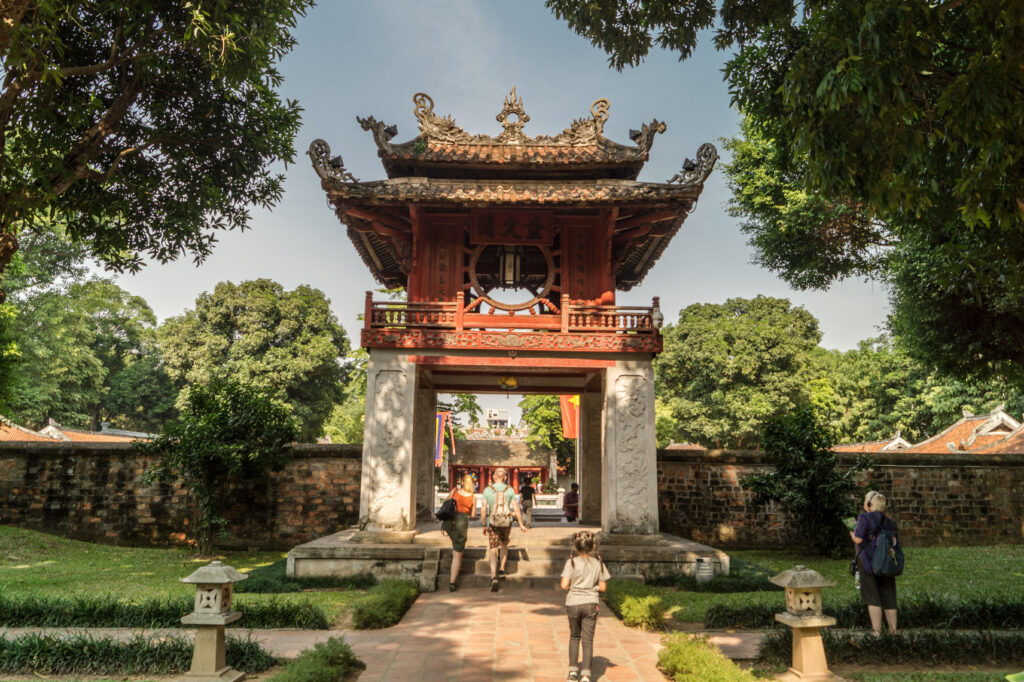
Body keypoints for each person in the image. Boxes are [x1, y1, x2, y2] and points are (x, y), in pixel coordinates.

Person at [560, 530, 610, 682]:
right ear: (593, 546)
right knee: (588, 640)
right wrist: (592, 587)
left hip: (573, 603)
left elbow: (564, 585)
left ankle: (573, 672)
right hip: (590, 603)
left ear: (575, 546)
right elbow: (603, 587)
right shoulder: (598, 563)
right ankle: (586, 674)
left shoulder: (572, 562)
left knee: (574, 636)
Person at [851, 490, 899, 635]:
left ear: (869, 503)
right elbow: (895, 542)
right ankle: (893, 631)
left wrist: (851, 533)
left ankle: (876, 632)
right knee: (889, 596)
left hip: (868, 562)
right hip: (886, 563)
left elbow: (858, 539)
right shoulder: (890, 521)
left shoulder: (864, 518)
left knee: (872, 597)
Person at [481, 467, 527, 592]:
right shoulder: (510, 490)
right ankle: (501, 569)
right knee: (504, 544)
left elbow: (484, 509)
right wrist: (521, 524)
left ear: (494, 477)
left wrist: (483, 524)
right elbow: (516, 508)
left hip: (493, 522)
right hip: (506, 522)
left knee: (493, 548)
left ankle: (493, 576)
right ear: (505, 478)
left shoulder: (487, 490)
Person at [444, 473, 477, 592]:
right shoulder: (473, 497)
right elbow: (473, 515)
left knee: (456, 548)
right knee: (457, 554)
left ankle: (459, 567)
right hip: (462, 523)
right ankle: (452, 582)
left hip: (449, 523)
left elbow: (446, 503)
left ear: (462, 482)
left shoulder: (454, 492)